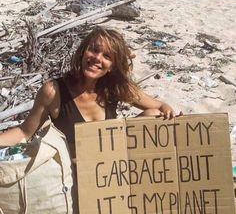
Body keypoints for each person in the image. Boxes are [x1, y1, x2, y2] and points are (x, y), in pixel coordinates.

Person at [0, 27, 180, 161]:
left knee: (154, 116)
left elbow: (159, 107)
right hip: (73, 172)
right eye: (94, 50)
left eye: (107, 56)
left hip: (111, 167)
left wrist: (168, 111)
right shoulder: (54, 91)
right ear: (83, 52)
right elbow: (24, 132)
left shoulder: (114, 88)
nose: (97, 58)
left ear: (112, 67)